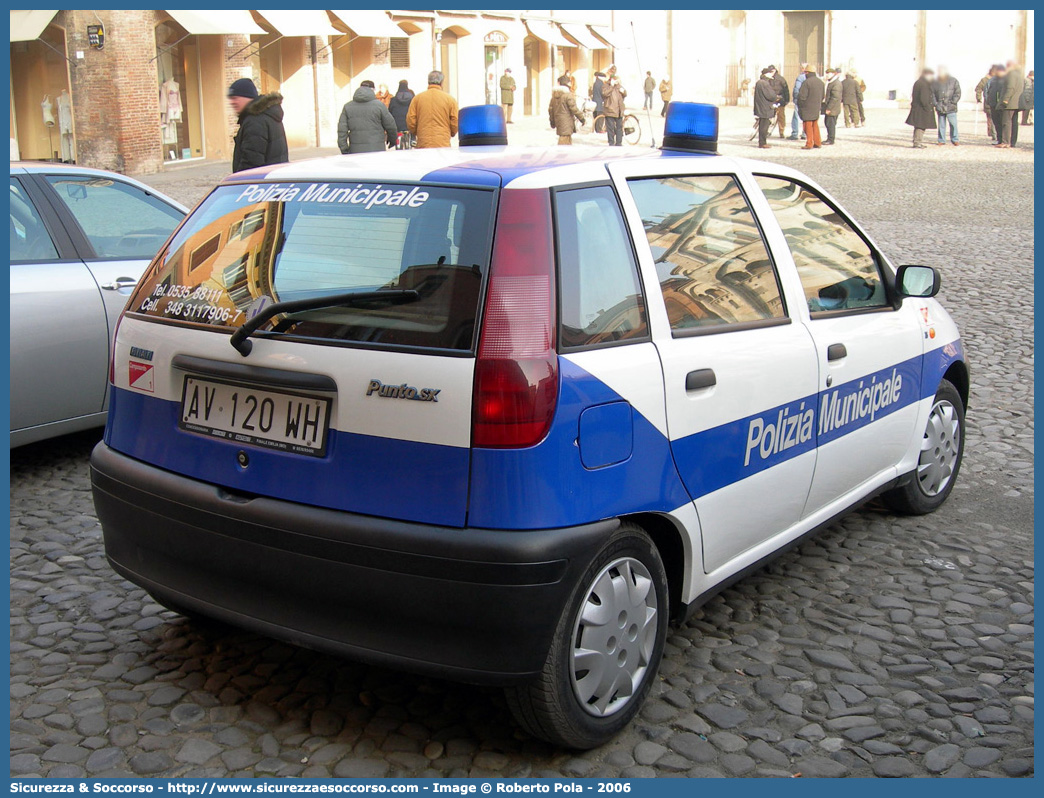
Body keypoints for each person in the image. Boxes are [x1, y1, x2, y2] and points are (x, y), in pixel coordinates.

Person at [228, 78, 288, 173]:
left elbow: (251, 163)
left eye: (235, 98)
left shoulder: (255, 121)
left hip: (260, 183)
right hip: (273, 179)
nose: (232, 102)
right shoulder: (267, 115)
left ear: (247, 97)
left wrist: (238, 183)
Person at [337, 81, 397, 154]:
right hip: (377, 149)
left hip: (355, 150)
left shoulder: (347, 107)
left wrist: (344, 148)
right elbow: (390, 125)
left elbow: (342, 130)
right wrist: (392, 140)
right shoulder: (379, 105)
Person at [406, 70, 459, 149]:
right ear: (441, 82)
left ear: (428, 82)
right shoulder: (450, 99)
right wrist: (450, 133)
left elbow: (411, 121)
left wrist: (418, 132)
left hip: (423, 142)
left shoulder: (417, 99)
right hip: (443, 143)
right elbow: (455, 121)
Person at [996, 60, 1025, 148]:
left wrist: (1005, 100)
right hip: (1016, 103)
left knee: (1006, 122)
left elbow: (1010, 88)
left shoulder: (1011, 74)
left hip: (1010, 103)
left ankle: (1005, 142)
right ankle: (1012, 142)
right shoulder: (1019, 75)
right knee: (1014, 122)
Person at [548, 74, 584, 145]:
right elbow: (574, 109)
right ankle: (561, 155)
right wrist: (582, 118)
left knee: (564, 141)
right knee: (564, 143)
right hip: (567, 122)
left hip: (559, 122)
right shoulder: (568, 95)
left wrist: (552, 121)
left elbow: (551, 110)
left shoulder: (554, 96)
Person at [905, 68, 936, 149]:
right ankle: (917, 142)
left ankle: (917, 141)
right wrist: (928, 107)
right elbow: (924, 98)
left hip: (917, 108)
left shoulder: (919, 82)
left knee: (919, 126)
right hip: (921, 109)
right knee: (920, 126)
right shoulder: (924, 84)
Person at [796, 64, 824, 149]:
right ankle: (817, 142)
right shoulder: (820, 82)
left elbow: (802, 96)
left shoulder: (806, 82)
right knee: (815, 125)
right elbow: (823, 95)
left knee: (807, 126)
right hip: (816, 106)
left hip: (807, 107)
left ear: (807, 72)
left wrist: (800, 105)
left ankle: (809, 143)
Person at [932, 66, 961, 146]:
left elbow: (957, 93)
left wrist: (953, 102)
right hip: (940, 106)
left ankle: (955, 139)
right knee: (941, 125)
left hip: (951, 107)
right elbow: (932, 94)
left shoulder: (953, 81)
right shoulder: (935, 82)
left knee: (953, 124)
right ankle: (941, 140)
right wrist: (936, 104)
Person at [753, 67, 778, 149]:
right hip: (765, 107)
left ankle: (762, 142)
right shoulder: (765, 83)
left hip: (760, 106)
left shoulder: (759, 82)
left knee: (762, 125)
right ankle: (762, 143)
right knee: (764, 126)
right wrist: (776, 97)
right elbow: (771, 96)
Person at [388, 79, 415, 147]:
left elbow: (389, 113)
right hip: (408, 126)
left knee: (398, 147)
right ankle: (412, 141)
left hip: (397, 127)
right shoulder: (413, 99)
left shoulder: (393, 100)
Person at [602, 74, 627, 146]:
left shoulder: (619, 86)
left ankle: (619, 142)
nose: (616, 81)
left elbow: (625, 94)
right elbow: (604, 93)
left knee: (619, 127)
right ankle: (611, 142)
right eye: (614, 80)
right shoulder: (606, 86)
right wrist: (611, 86)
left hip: (619, 110)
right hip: (610, 109)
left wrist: (623, 91)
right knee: (610, 127)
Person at [767, 65, 789, 138]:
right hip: (771, 100)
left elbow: (786, 90)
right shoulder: (768, 79)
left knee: (781, 117)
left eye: (772, 71)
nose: (771, 73)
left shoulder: (781, 79)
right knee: (769, 116)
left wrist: (786, 100)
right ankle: (768, 130)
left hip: (780, 100)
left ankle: (781, 131)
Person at [821, 67, 842, 145]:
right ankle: (829, 138)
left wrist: (829, 108)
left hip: (833, 108)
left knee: (830, 123)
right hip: (830, 107)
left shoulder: (836, 83)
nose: (826, 75)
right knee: (827, 122)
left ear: (833, 74)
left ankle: (831, 139)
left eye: (828, 74)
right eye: (826, 74)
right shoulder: (830, 82)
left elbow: (835, 97)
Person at [976, 65, 997, 141]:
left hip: (989, 102)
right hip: (989, 102)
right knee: (991, 118)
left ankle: (991, 132)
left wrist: (979, 98)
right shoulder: (985, 80)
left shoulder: (985, 80)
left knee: (990, 118)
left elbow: (978, 89)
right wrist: (978, 98)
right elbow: (978, 89)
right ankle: (992, 133)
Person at [788, 66, 807, 140]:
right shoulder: (816, 77)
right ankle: (805, 133)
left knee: (796, 117)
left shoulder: (801, 77)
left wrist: (795, 98)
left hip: (800, 99)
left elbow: (796, 89)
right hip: (809, 101)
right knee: (807, 118)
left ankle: (795, 133)